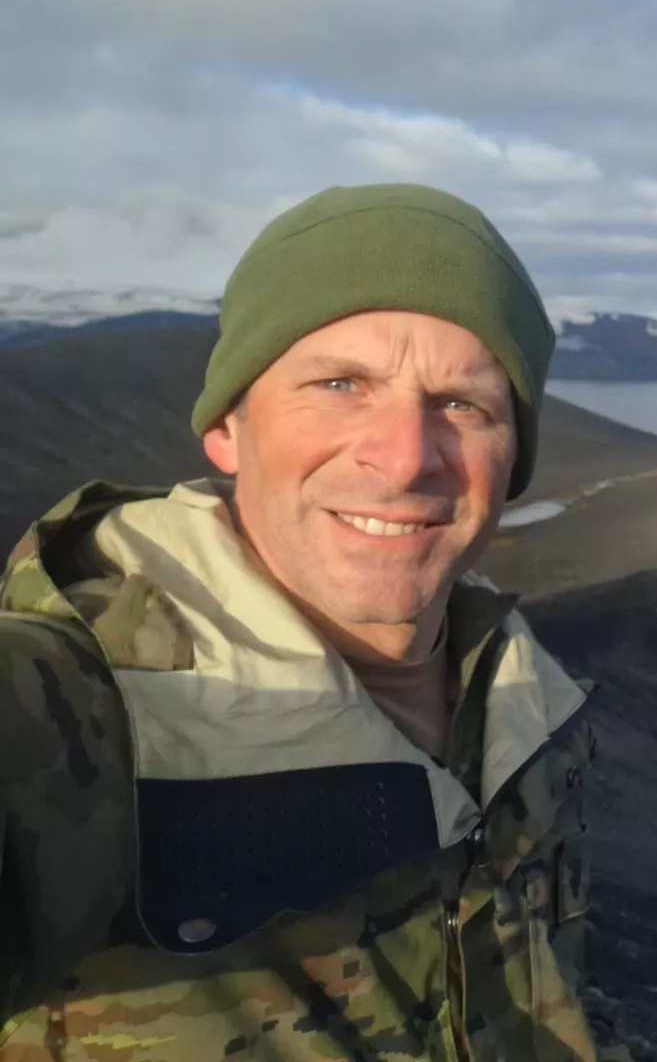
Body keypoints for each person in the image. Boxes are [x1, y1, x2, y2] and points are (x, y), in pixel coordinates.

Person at [0, 184, 600, 1060]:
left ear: (512, 460)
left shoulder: (525, 705)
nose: (404, 458)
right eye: (339, 384)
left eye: (463, 405)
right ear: (228, 430)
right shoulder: (72, 704)